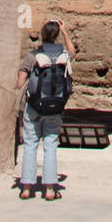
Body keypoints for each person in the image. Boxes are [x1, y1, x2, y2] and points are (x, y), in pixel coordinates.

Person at [16, 19, 75, 201]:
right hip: (55, 108)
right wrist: (65, 32)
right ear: (57, 35)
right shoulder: (63, 56)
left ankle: (26, 187)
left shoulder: (33, 55)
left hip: (34, 107)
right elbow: (73, 52)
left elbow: (20, 84)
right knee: (50, 146)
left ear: (42, 35)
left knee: (31, 144)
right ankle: (49, 189)